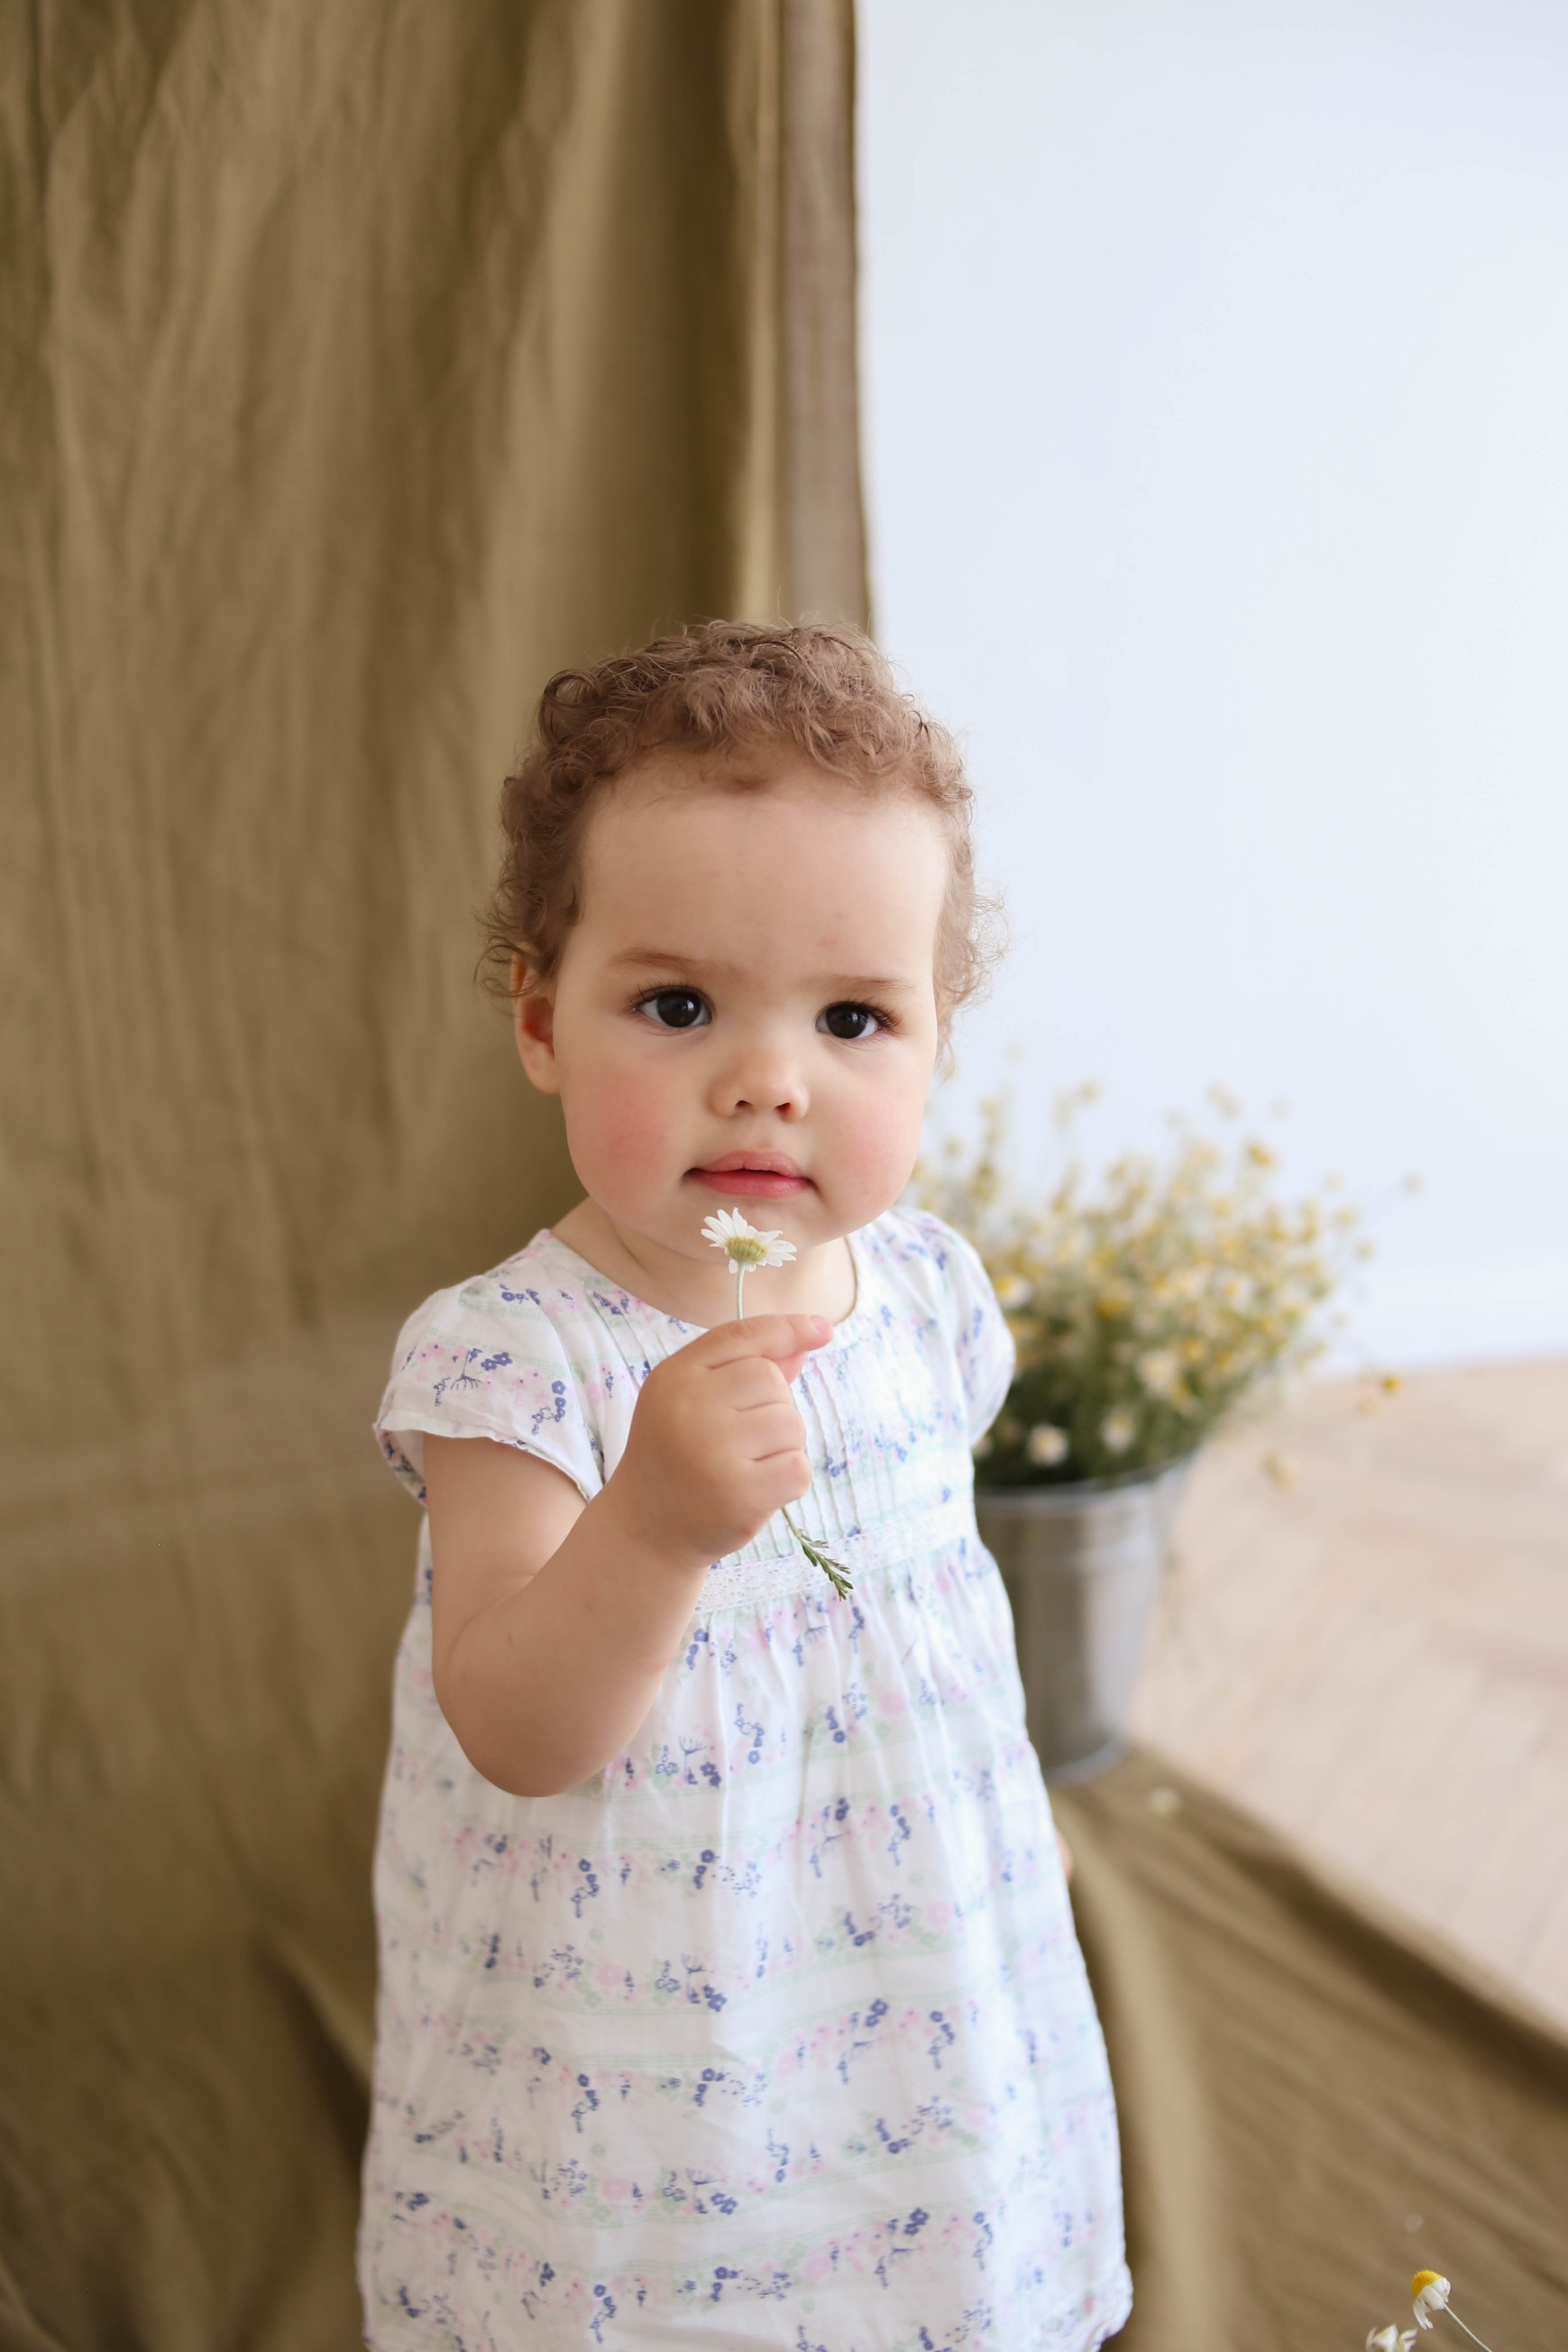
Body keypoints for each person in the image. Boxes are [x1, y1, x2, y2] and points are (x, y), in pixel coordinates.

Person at [361, 622, 1130, 2350]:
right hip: (647, 2028)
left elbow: (912, 1603)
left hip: (909, 1970)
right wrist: (651, 1525)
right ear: (543, 1019)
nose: (769, 1077)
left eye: (855, 1017)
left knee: (931, 2258)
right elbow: (518, 1726)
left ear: (937, 1043)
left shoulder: (924, 1296)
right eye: (680, 1004)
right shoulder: (517, 1361)